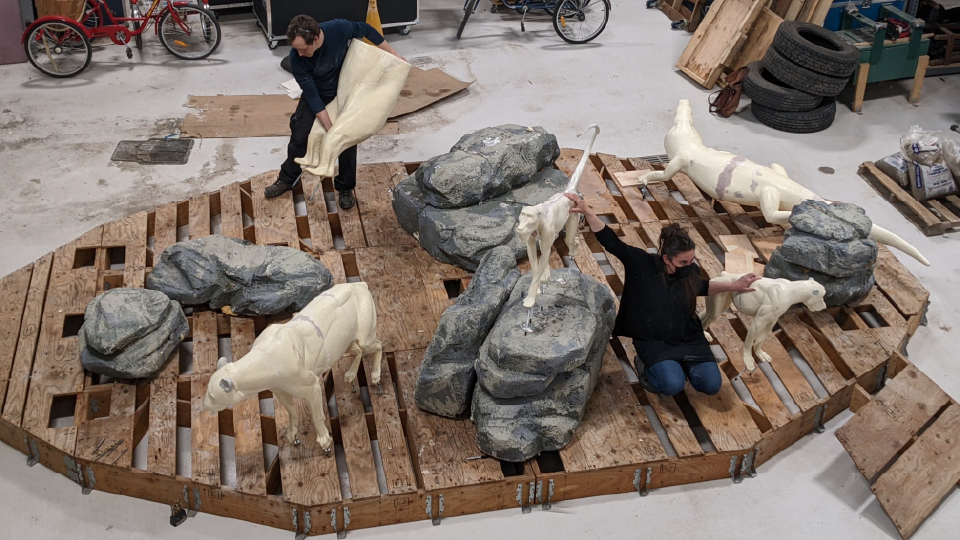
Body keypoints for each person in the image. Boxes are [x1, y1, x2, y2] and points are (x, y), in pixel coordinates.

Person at [565, 193, 760, 396]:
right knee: (670, 386)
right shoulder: (642, 263)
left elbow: (701, 287)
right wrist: (588, 212)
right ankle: (646, 364)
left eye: (691, 260)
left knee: (710, 385)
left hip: (686, 335)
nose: (689, 266)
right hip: (652, 337)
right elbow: (612, 242)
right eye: (683, 262)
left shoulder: (689, 272)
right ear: (666, 258)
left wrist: (734, 285)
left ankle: (678, 364)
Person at [265, 15, 407, 208]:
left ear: (315, 39)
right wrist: (328, 125)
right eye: (295, 48)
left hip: (344, 89)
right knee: (300, 134)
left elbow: (366, 29)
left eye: (303, 48)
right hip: (318, 93)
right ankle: (287, 179)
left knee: (346, 139)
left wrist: (392, 52)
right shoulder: (296, 58)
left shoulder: (338, 29)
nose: (299, 53)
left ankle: (345, 187)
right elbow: (312, 95)